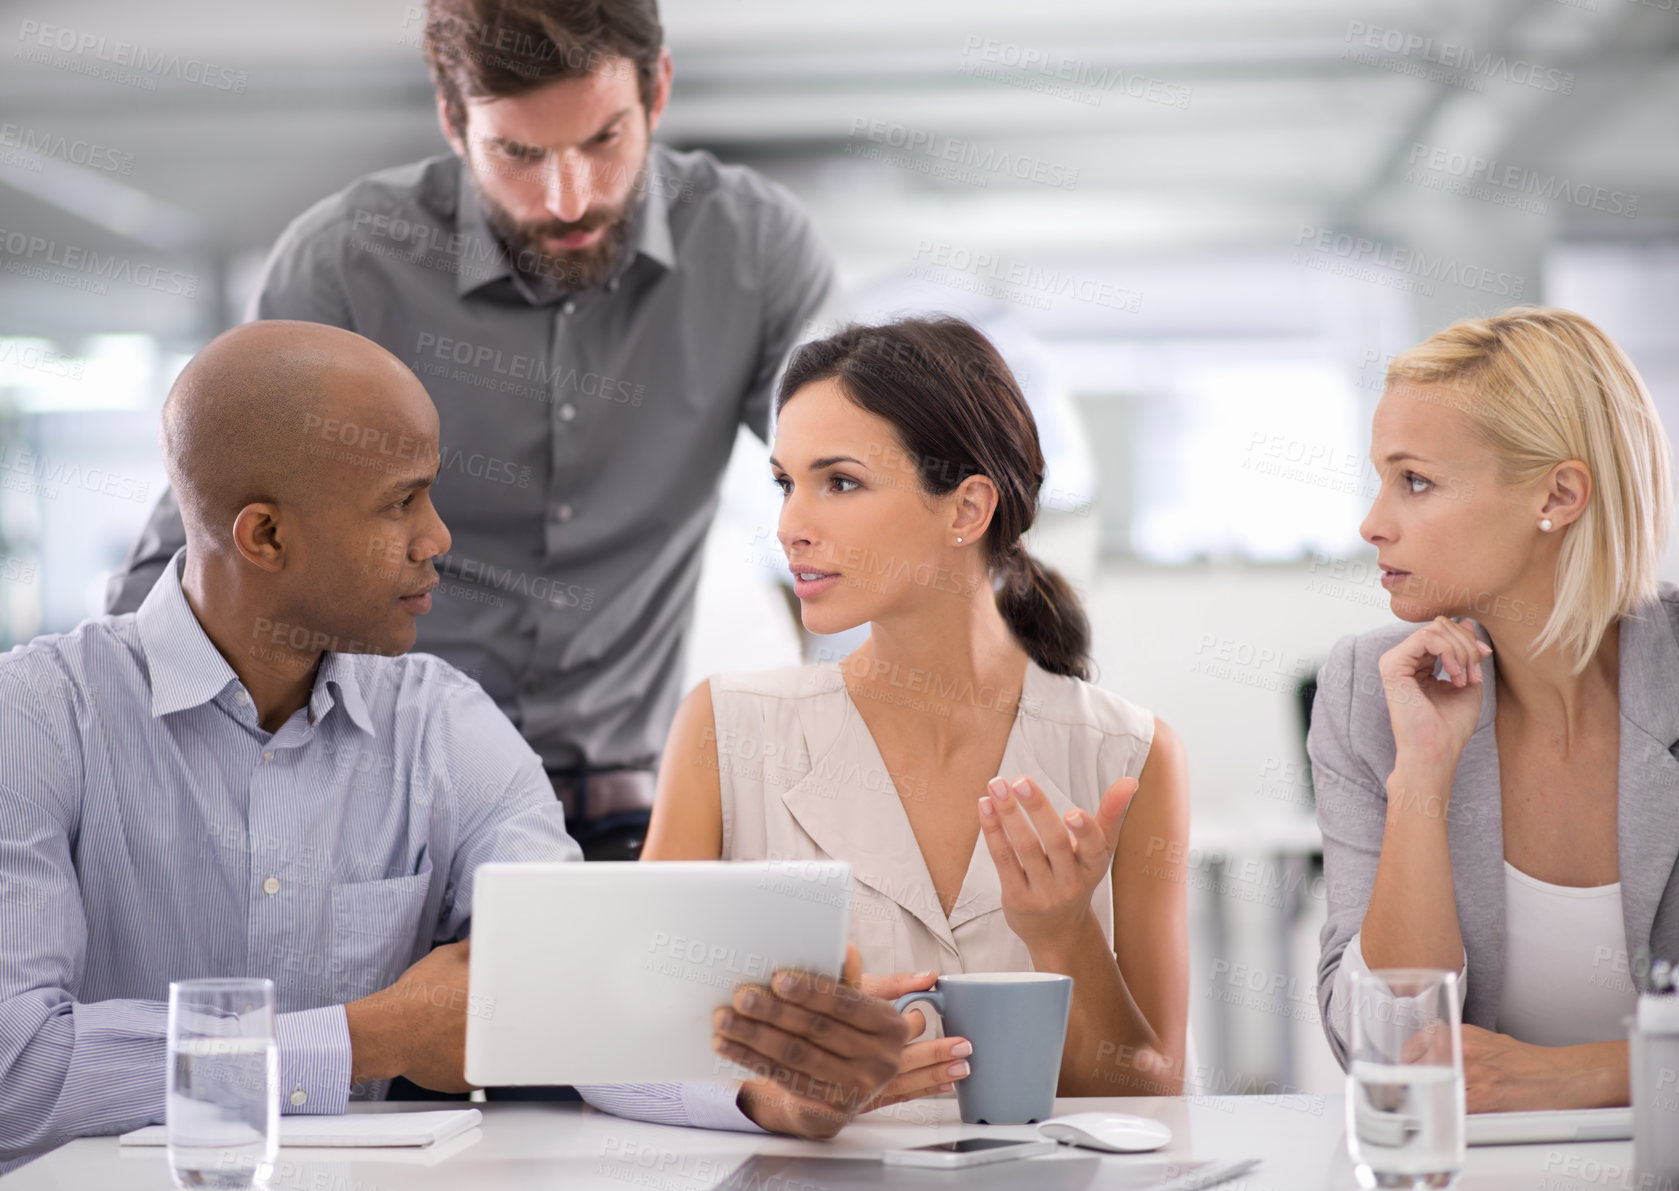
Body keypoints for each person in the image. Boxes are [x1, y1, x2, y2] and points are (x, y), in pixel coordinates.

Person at [0, 322, 913, 1174]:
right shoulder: (38, 718)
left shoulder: (442, 724)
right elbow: (17, 1072)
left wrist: (767, 1090)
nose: (437, 540)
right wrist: (369, 1035)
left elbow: (572, 993)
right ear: (266, 535)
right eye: (401, 503)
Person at [103, 0, 839, 860]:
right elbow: (197, 545)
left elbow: (860, 471)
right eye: (518, 154)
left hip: (623, 815)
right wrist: (123, 769)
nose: (570, 197)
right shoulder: (348, 265)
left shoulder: (753, 247)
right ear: (453, 120)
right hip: (373, 807)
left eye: (603, 141)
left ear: (658, 91)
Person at [642, 316, 1192, 1105]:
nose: (791, 526)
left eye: (839, 482)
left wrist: (1063, 933)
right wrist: (786, 1093)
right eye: (784, 483)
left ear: (966, 509)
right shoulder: (726, 728)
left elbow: (1149, 1094)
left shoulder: (1129, 755)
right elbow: (631, 1046)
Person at [1310, 306, 1679, 1111]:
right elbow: (1384, 1056)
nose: (1371, 523)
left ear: (1558, 493)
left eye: (1414, 480)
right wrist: (1422, 778)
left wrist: (1578, 1076)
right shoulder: (1366, 693)